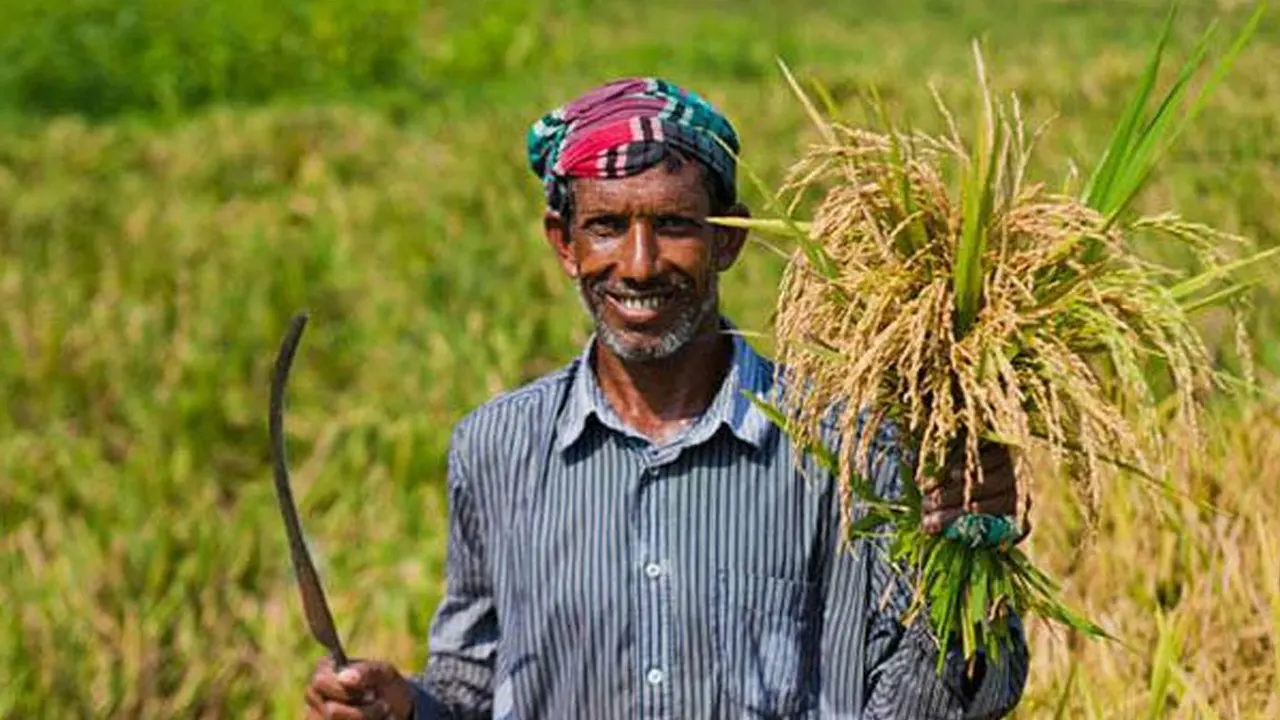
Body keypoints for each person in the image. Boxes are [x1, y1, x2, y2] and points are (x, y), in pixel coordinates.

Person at [305, 78, 1029, 719]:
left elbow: (958, 695)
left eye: (675, 225)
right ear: (564, 244)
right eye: (608, 226)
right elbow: (475, 684)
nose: (640, 264)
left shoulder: (846, 445)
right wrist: (403, 709)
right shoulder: (496, 447)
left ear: (728, 239)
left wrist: (965, 562)